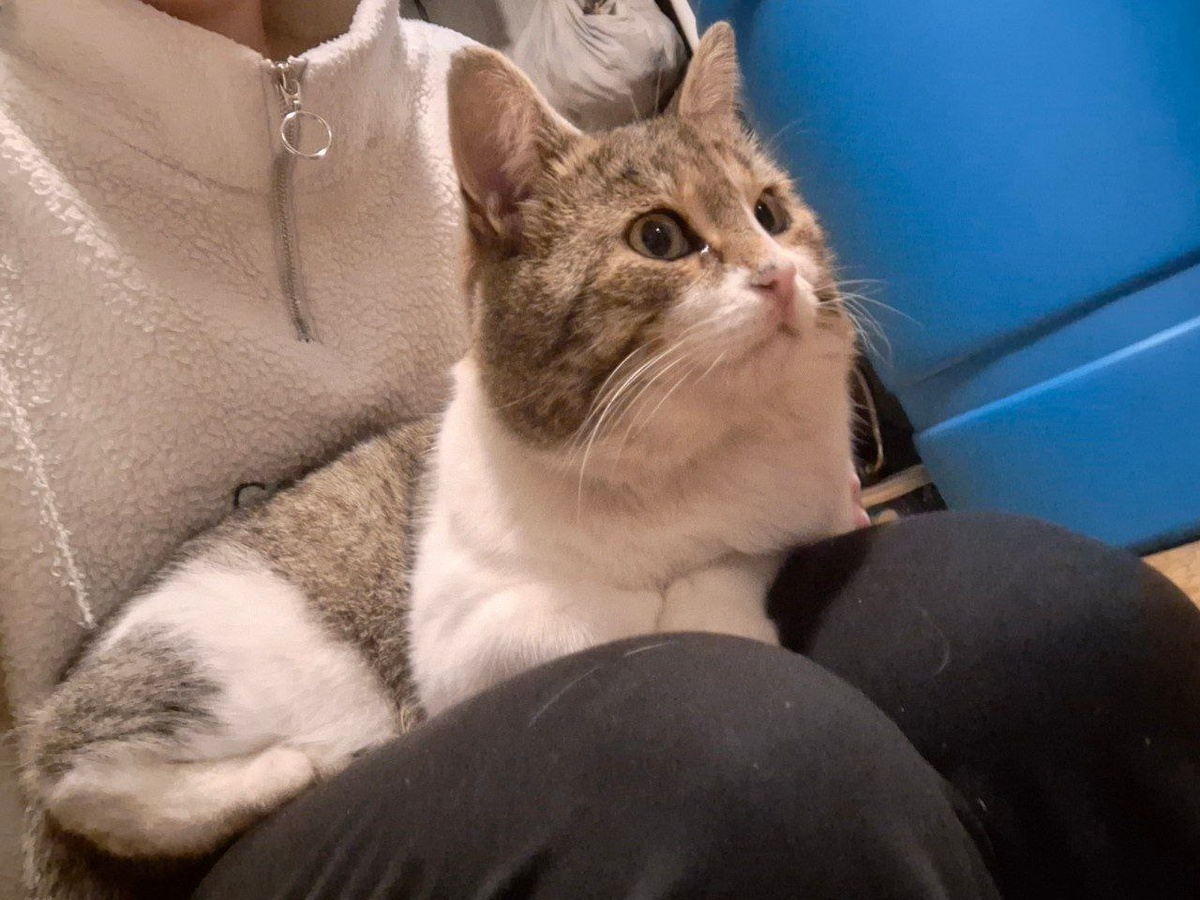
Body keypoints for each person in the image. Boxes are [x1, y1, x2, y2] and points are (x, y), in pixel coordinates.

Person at [1, 2, 1197, 899]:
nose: (760, 252)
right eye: (672, 238)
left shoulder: (442, 84)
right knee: (747, 765)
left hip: (593, 568)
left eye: (767, 214)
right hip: (216, 797)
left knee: (1061, 629)